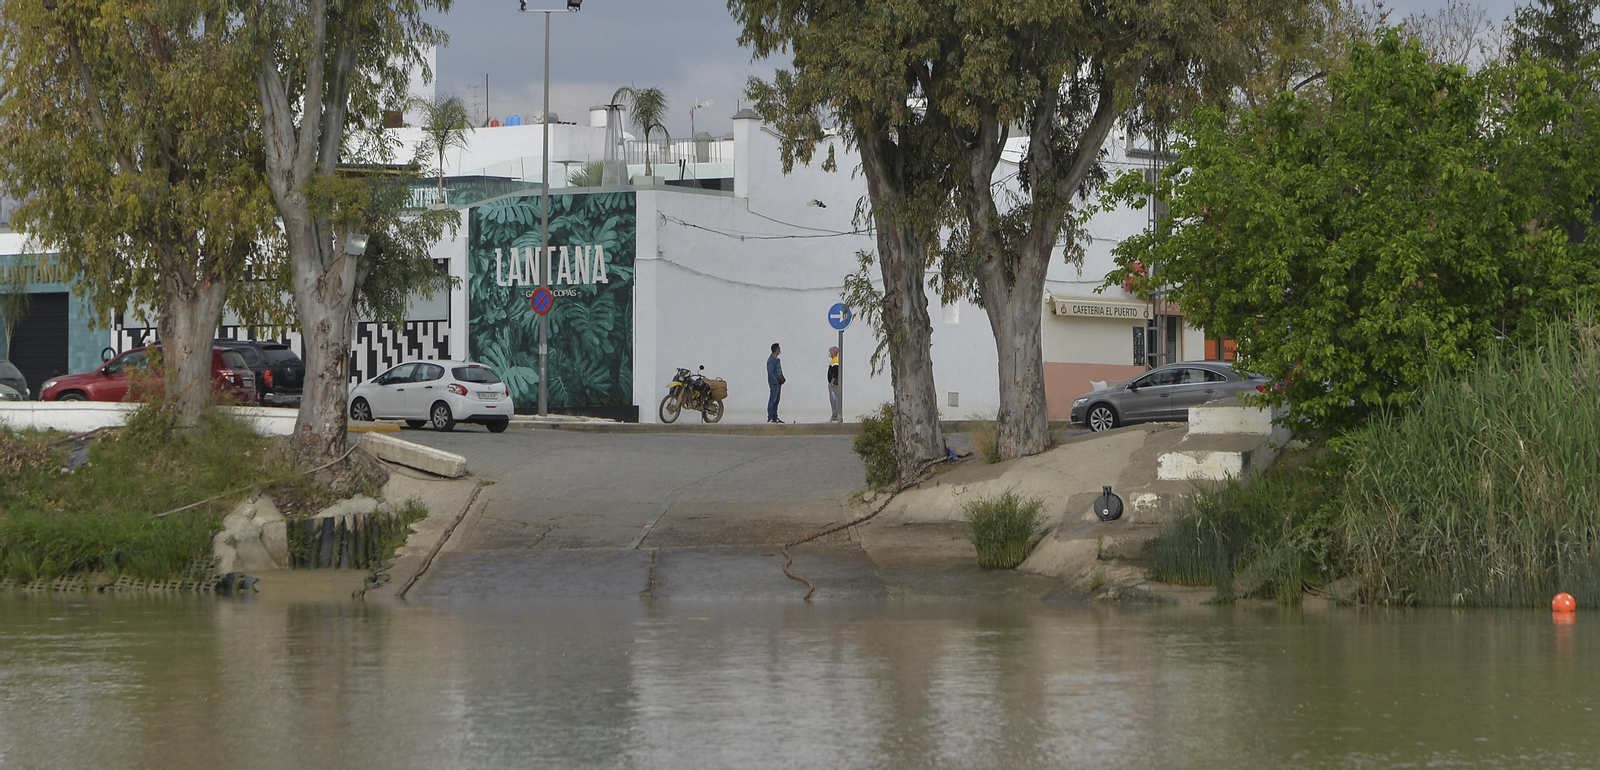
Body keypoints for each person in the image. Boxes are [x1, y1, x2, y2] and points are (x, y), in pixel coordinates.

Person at [766, 342, 785, 423]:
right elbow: (770, 372)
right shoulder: (771, 360)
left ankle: (775, 416)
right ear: (776, 350)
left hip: (778, 383)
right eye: (779, 348)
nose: (780, 350)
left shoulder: (777, 360)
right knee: (773, 399)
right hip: (774, 383)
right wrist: (775, 381)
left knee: (777, 400)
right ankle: (770, 416)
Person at [826, 346, 841, 423]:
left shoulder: (836, 360)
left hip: (834, 385)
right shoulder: (833, 361)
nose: (829, 353)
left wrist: (832, 380)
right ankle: (835, 415)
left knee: (834, 399)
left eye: (830, 351)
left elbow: (836, 371)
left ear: (834, 352)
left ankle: (836, 415)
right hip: (832, 385)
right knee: (833, 399)